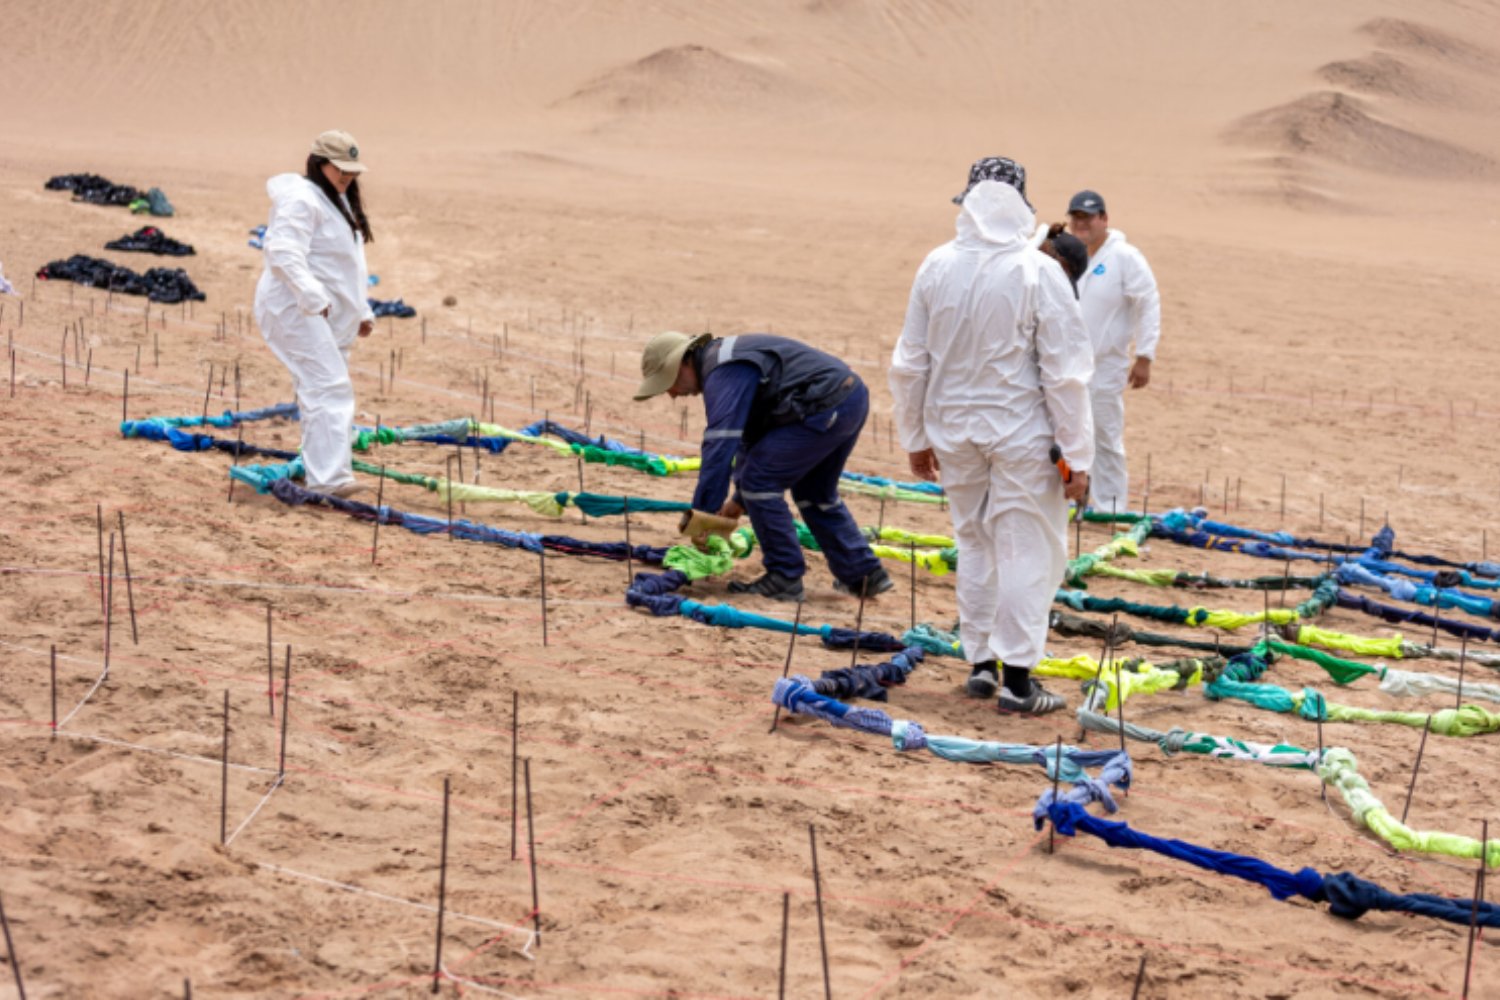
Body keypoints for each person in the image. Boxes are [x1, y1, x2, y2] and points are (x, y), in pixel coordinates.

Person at [890, 157, 1094, 716]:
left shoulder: (936, 265)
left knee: (975, 541)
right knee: (1027, 546)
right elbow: (1066, 374)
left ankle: (981, 664)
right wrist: (1078, 457)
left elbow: (910, 362)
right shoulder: (1038, 272)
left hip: (953, 431)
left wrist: (914, 433)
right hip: (1020, 433)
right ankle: (1019, 682)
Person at [634, 331, 891, 603]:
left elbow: (720, 446)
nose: (672, 394)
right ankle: (863, 574)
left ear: (682, 363)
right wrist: (736, 502)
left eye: (668, 383)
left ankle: (784, 576)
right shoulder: (726, 360)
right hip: (849, 399)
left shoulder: (723, 371)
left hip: (822, 406)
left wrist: (703, 516)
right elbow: (751, 442)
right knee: (814, 492)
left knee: (761, 482)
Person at [253, 129, 377, 496]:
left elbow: (349, 265)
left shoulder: (339, 201)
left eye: (352, 170)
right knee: (328, 386)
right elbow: (283, 250)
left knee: (320, 388)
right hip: (293, 308)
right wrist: (310, 294)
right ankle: (330, 480)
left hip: (329, 315)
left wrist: (363, 310)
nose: (347, 176)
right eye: (340, 168)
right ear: (319, 164)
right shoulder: (301, 200)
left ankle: (320, 468)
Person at [1066, 190, 1161, 515]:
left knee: (1104, 437)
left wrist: (1145, 355)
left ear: (1104, 219)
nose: (1082, 224)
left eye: (1088, 218)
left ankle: (1110, 507)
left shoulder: (1125, 257)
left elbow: (1148, 302)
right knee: (1061, 435)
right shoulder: (1066, 254)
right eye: (1076, 218)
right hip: (1064, 364)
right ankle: (1070, 498)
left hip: (1105, 366)